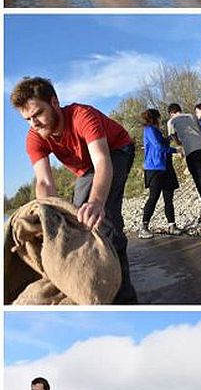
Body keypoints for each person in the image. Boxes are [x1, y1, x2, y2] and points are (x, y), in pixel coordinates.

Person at [10, 76, 137, 303]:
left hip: (117, 150)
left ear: (54, 102)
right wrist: (46, 216)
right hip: (86, 169)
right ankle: (88, 278)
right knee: (76, 216)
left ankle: (124, 296)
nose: (34, 123)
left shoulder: (82, 116)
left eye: (38, 113)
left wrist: (97, 203)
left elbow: (102, 162)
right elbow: (44, 182)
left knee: (103, 218)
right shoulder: (34, 137)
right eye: (27, 119)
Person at [167, 103, 201, 222]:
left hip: (191, 152)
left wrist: (179, 143)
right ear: (180, 109)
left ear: (171, 113)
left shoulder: (171, 122)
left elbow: (173, 137)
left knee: (199, 180)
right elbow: (199, 130)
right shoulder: (191, 116)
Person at [139, 108, 183, 238]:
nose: (160, 121)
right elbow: (158, 147)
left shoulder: (155, 130)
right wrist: (176, 150)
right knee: (154, 197)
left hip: (165, 167)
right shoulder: (149, 130)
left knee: (168, 198)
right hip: (154, 168)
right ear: (155, 118)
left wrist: (169, 138)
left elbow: (161, 143)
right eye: (158, 118)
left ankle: (172, 225)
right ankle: (143, 227)